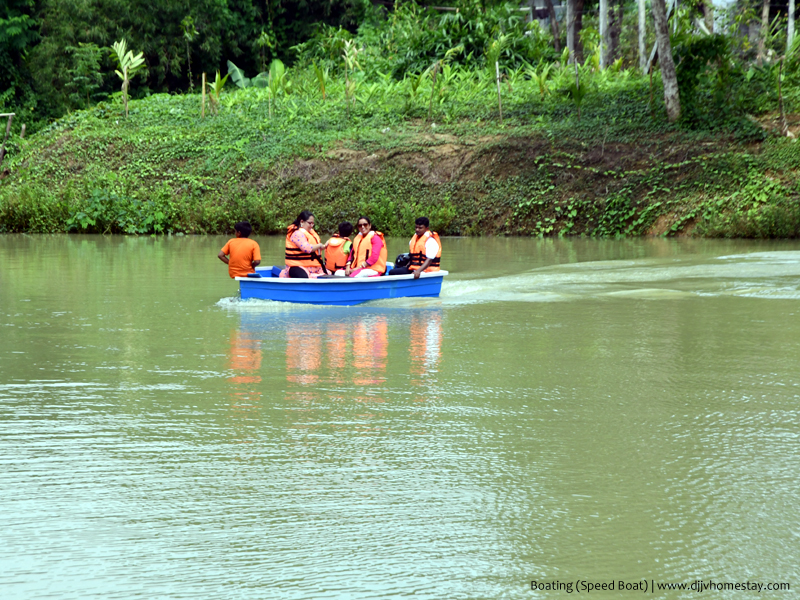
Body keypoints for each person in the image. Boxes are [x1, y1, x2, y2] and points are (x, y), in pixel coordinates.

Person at [280, 211, 328, 278]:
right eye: (309, 223)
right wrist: (319, 245)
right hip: (297, 266)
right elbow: (306, 248)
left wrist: (324, 246)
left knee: (328, 272)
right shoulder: (297, 233)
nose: (311, 226)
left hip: (313, 266)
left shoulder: (310, 233)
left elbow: (314, 249)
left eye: (313, 223)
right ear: (302, 222)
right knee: (303, 276)